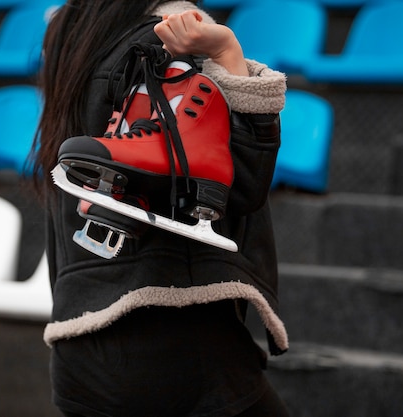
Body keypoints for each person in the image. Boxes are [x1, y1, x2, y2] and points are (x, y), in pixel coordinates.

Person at [32, 1, 290, 416]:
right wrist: (227, 53)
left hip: (77, 345)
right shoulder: (178, 33)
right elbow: (236, 182)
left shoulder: (71, 36)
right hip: (174, 333)